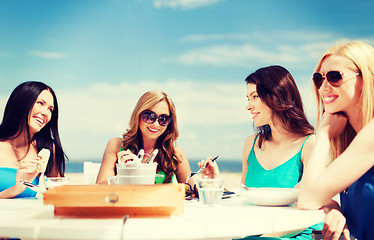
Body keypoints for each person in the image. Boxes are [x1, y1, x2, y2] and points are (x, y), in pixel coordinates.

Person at [199, 65, 322, 240]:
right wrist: (214, 183)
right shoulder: (251, 144)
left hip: (290, 235)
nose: (248, 106)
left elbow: (308, 213)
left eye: (255, 96)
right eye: (248, 98)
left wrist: (261, 236)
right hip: (252, 234)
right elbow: (244, 198)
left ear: (277, 96)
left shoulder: (310, 144)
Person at [299, 40, 374, 240]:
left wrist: (322, 135)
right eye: (318, 79)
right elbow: (309, 191)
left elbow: (307, 198)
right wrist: (333, 208)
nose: (323, 87)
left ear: (366, 79)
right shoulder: (349, 140)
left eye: (335, 77)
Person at [96, 90, 193, 185]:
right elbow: (99, 188)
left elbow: (192, 192)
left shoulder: (175, 154)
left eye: (163, 119)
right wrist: (125, 176)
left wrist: (207, 176)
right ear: (138, 115)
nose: (156, 124)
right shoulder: (116, 145)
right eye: (149, 116)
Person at [0, 81, 67, 199]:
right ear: (21, 102)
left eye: (50, 109)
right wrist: (16, 189)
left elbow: (58, 195)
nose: (46, 113)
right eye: (40, 103)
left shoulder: (48, 148)